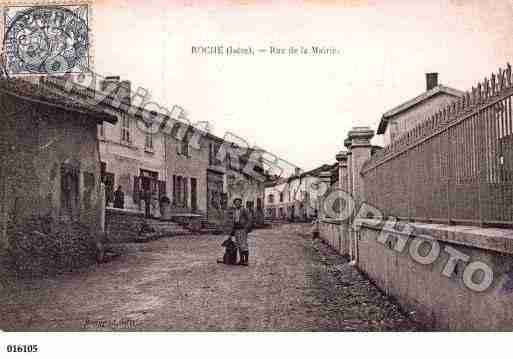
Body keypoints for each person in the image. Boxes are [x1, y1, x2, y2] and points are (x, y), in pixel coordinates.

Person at [230, 198, 252, 266]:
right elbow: (234, 221)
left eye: (238, 202)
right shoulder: (234, 211)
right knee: (239, 245)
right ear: (234, 204)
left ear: (241, 203)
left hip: (242, 229)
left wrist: (246, 228)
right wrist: (232, 231)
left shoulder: (244, 210)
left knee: (244, 245)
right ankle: (241, 260)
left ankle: (246, 261)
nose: (237, 204)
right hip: (236, 229)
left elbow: (249, 219)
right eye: (236, 202)